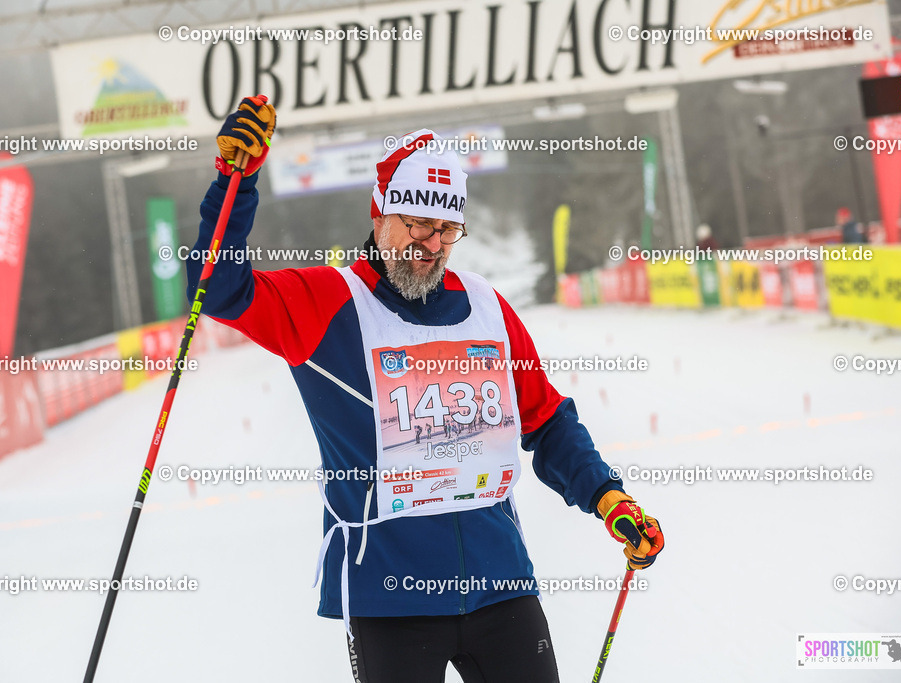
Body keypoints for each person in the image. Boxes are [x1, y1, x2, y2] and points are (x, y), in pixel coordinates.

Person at [187, 96, 665, 683]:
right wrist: (234, 184)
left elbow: (545, 419)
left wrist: (606, 495)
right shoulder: (326, 304)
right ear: (380, 214)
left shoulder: (486, 306)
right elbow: (218, 288)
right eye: (417, 225)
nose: (432, 245)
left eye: (447, 229)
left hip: (499, 584)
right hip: (390, 596)